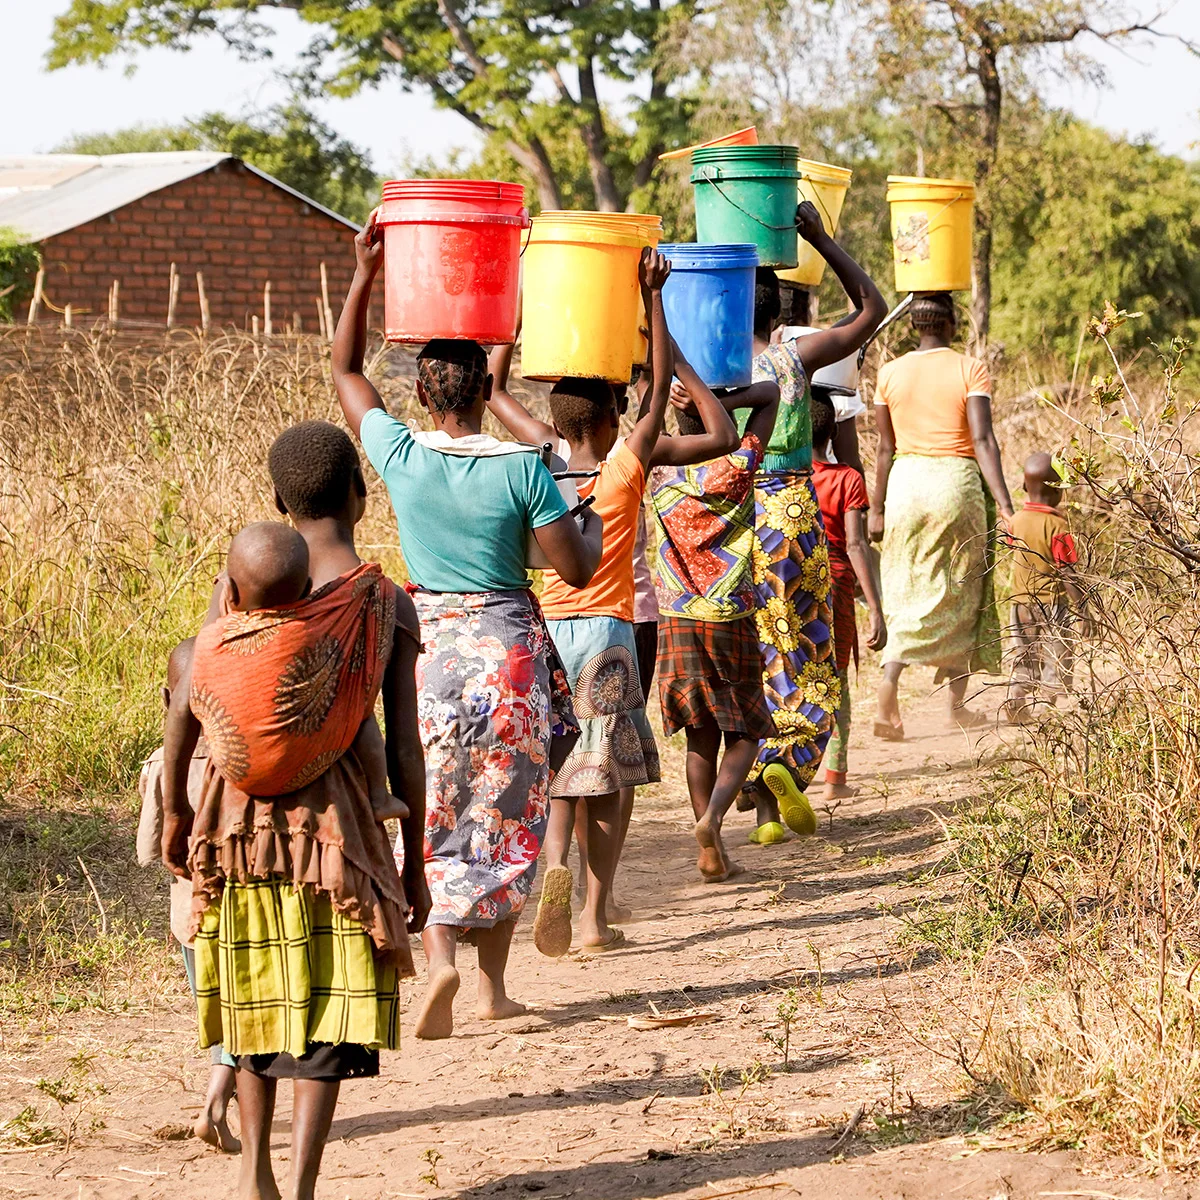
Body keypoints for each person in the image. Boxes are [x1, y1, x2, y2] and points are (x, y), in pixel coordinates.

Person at [332, 208, 602, 1040]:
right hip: (510, 653)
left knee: (437, 801)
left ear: (421, 393)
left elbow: (344, 371)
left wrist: (365, 273)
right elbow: (575, 569)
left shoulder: (403, 457)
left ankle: (440, 953)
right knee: (509, 805)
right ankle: (492, 990)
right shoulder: (525, 467)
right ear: (490, 394)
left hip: (428, 650)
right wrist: (583, 513)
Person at [161, 418, 430, 1200]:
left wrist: (180, 813)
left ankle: (254, 1171)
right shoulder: (385, 606)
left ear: (278, 500)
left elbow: (198, 687)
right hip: (338, 833)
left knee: (255, 987)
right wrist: (414, 861)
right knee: (327, 1001)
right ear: (361, 492)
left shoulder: (243, 584)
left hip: (236, 826)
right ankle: (303, 1183)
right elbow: (406, 749)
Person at [484, 249, 673, 957]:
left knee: (564, 762)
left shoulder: (542, 464)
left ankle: (553, 865)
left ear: (558, 423)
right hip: (611, 633)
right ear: (607, 418)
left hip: (547, 631)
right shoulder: (624, 466)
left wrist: (518, 299)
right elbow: (655, 399)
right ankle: (594, 919)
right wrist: (652, 300)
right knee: (611, 770)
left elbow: (498, 388)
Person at [743, 202, 887, 841]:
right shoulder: (794, 356)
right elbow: (871, 308)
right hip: (793, 517)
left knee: (754, 658)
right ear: (779, 314)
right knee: (811, 659)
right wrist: (821, 238)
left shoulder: (706, 364)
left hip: (731, 523)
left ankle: (758, 809)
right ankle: (788, 764)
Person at [649, 347, 780, 881]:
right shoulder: (736, 465)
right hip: (730, 615)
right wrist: (719, 392)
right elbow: (772, 394)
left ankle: (709, 849)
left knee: (700, 734)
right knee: (746, 731)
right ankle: (714, 816)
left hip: (677, 617)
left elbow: (644, 414)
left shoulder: (654, 467)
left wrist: (671, 374)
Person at [191, 520, 408, 822]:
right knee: (358, 703)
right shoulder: (315, 628)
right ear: (308, 589)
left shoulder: (213, 641)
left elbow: (193, 699)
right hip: (304, 765)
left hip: (238, 771)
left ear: (230, 593)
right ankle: (379, 797)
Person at [870, 292, 1015, 738]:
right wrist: (1007, 507)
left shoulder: (889, 372)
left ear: (914, 325)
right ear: (951, 324)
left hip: (906, 486)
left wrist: (876, 508)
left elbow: (884, 448)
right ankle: (957, 705)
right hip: (956, 485)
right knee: (961, 592)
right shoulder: (968, 368)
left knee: (904, 590)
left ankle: (889, 684)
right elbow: (984, 440)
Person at [135, 637, 238, 1155]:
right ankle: (218, 1099)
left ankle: (220, 1091)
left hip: (190, 917)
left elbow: (149, 848)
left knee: (217, 1008)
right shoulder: (242, 759)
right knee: (248, 1012)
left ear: (166, 697)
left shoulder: (162, 766)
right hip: (244, 907)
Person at [809, 390, 887, 804]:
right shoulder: (847, 479)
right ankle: (835, 778)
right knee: (836, 680)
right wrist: (874, 606)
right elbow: (856, 545)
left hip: (792, 585)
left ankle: (782, 768)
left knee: (794, 674)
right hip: (836, 585)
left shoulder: (785, 478)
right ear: (835, 432)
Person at [1004, 452, 1088, 722]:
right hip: (1053, 604)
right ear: (1058, 492)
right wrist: (1083, 608)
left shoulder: (1016, 521)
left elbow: (1009, 543)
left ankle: (1017, 699)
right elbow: (1067, 571)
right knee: (1057, 654)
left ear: (1025, 487)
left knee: (1025, 653)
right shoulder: (1058, 525)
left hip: (1020, 603)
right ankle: (1046, 712)